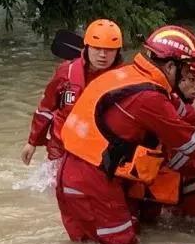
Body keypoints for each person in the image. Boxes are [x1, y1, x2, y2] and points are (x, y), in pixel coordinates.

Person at [57, 25, 195, 244]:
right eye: (187, 70)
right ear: (170, 66)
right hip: (92, 179)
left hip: (81, 171)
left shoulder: (136, 78)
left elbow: (184, 114)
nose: (191, 77)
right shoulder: (149, 98)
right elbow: (187, 140)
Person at [21, 19, 123, 166]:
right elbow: (46, 108)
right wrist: (32, 142)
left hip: (97, 152)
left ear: (117, 51)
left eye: (109, 50)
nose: (102, 55)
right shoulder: (66, 72)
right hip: (61, 147)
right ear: (87, 47)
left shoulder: (124, 80)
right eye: (97, 48)